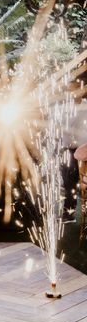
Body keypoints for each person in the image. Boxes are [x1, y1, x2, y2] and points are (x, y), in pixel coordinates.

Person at [61, 81, 87, 221]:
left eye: (76, 89)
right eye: (70, 90)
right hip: (68, 151)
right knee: (68, 183)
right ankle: (69, 213)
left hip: (85, 153)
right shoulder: (63, 108)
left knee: (84, 184)